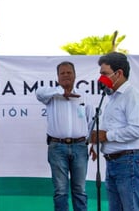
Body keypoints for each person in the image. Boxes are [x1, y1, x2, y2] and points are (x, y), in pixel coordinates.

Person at [90, 52, 139, 211]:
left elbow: (138, 129)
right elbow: (109, 128)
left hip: (128, 162)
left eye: (105, 74)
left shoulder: (132, 96)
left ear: (119, 73)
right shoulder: (112, 98)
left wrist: (107, 135)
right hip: (113, 162)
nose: (101, 78)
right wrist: (96, 144)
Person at [36, 61, 93, 211]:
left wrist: (93, 145)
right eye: (62, 73)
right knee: (60, 191)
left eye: (69, 72)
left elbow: (91, 123)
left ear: (75, 75)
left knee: (80, 190)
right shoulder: (51, 96)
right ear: (58, 77)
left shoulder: (84, 97)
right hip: (57, 147)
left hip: (80, 147)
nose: (66, 75)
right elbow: (38, 93)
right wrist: (60, 92)